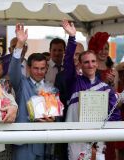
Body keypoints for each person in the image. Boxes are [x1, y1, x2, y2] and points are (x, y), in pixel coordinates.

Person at [61, 19, 121, 160]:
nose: (90, 65)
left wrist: (100, 134)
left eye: (93, 61)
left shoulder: (106, 89)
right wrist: (72, 38)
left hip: (97, 143)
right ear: (80, 65)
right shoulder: (73, 83)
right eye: (86, 62)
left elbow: (115, 115)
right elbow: (68, 61)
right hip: (76, 141)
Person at [9, 23, 55, 160]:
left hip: (42, 142)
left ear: (46, 68)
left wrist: (52, 119)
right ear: (28, 68)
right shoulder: (21, 83)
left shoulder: (51, 89)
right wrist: (19, 44)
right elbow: (13, 71)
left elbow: (55, 115)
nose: (39, 72)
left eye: (42, 68)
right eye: (36, 68)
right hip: (23, 143)